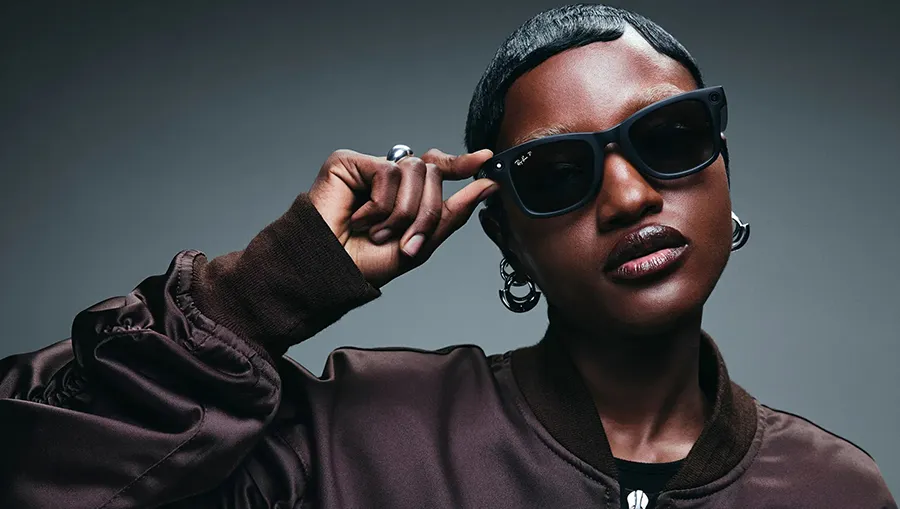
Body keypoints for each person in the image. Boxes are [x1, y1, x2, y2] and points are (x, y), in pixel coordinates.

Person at [0, 4, 894, 509]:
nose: (628, 196)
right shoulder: (351, 439)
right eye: (558, 173)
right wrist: (270, 285)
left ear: (724, 168)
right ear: (507, 239)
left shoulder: (835, 490)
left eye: (670, 136)